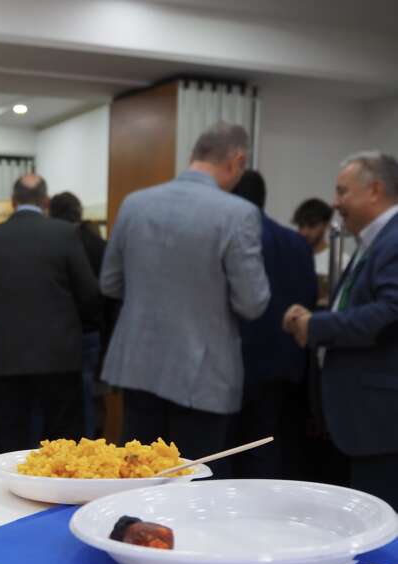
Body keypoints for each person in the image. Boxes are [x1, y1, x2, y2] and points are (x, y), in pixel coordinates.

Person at [100, 121, 270, 464]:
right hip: (202, 377)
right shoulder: (238, 214)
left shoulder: (135, 203)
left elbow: (109, 283)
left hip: (137, 366)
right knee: (197, 481)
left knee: (137, 476)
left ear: (194, 154)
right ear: (238, 160)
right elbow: (252, 303)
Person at [282, 151, 398, 509]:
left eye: (342, 191)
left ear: (374, 190)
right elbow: (361, 306)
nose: (334, 202)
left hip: (380, 422)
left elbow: (389, 312)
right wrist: (315, 316)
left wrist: (316, 325)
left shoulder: (394, 239)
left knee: (380, 523)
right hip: (361, 419)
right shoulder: (375, 240)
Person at [0, 175, 100, 451]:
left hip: (7, 356)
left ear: (12, 201)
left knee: (13, 440)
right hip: (59, 355)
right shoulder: (65, 233)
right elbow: (89, 292)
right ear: (46, 201)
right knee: (62, 442)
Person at [229, 170, 317, 478]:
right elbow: (308, 298)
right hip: (287, 361)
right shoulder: (297, 242)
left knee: (233, 452)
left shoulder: (236, 237)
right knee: (272, 449)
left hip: (240, 362)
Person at [49, 190, 108, 437]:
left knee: (59, 400)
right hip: (91, 330)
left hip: (56, 333)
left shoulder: (50, 244)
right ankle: (91, 443)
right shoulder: (98, 244)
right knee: (87, 395)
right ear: (79, 213)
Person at [292, 197, 335, 305]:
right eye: (301, 226)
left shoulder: (340, 260)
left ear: (326, 225)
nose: (304, 232)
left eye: (312, 225)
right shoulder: (291, 258)